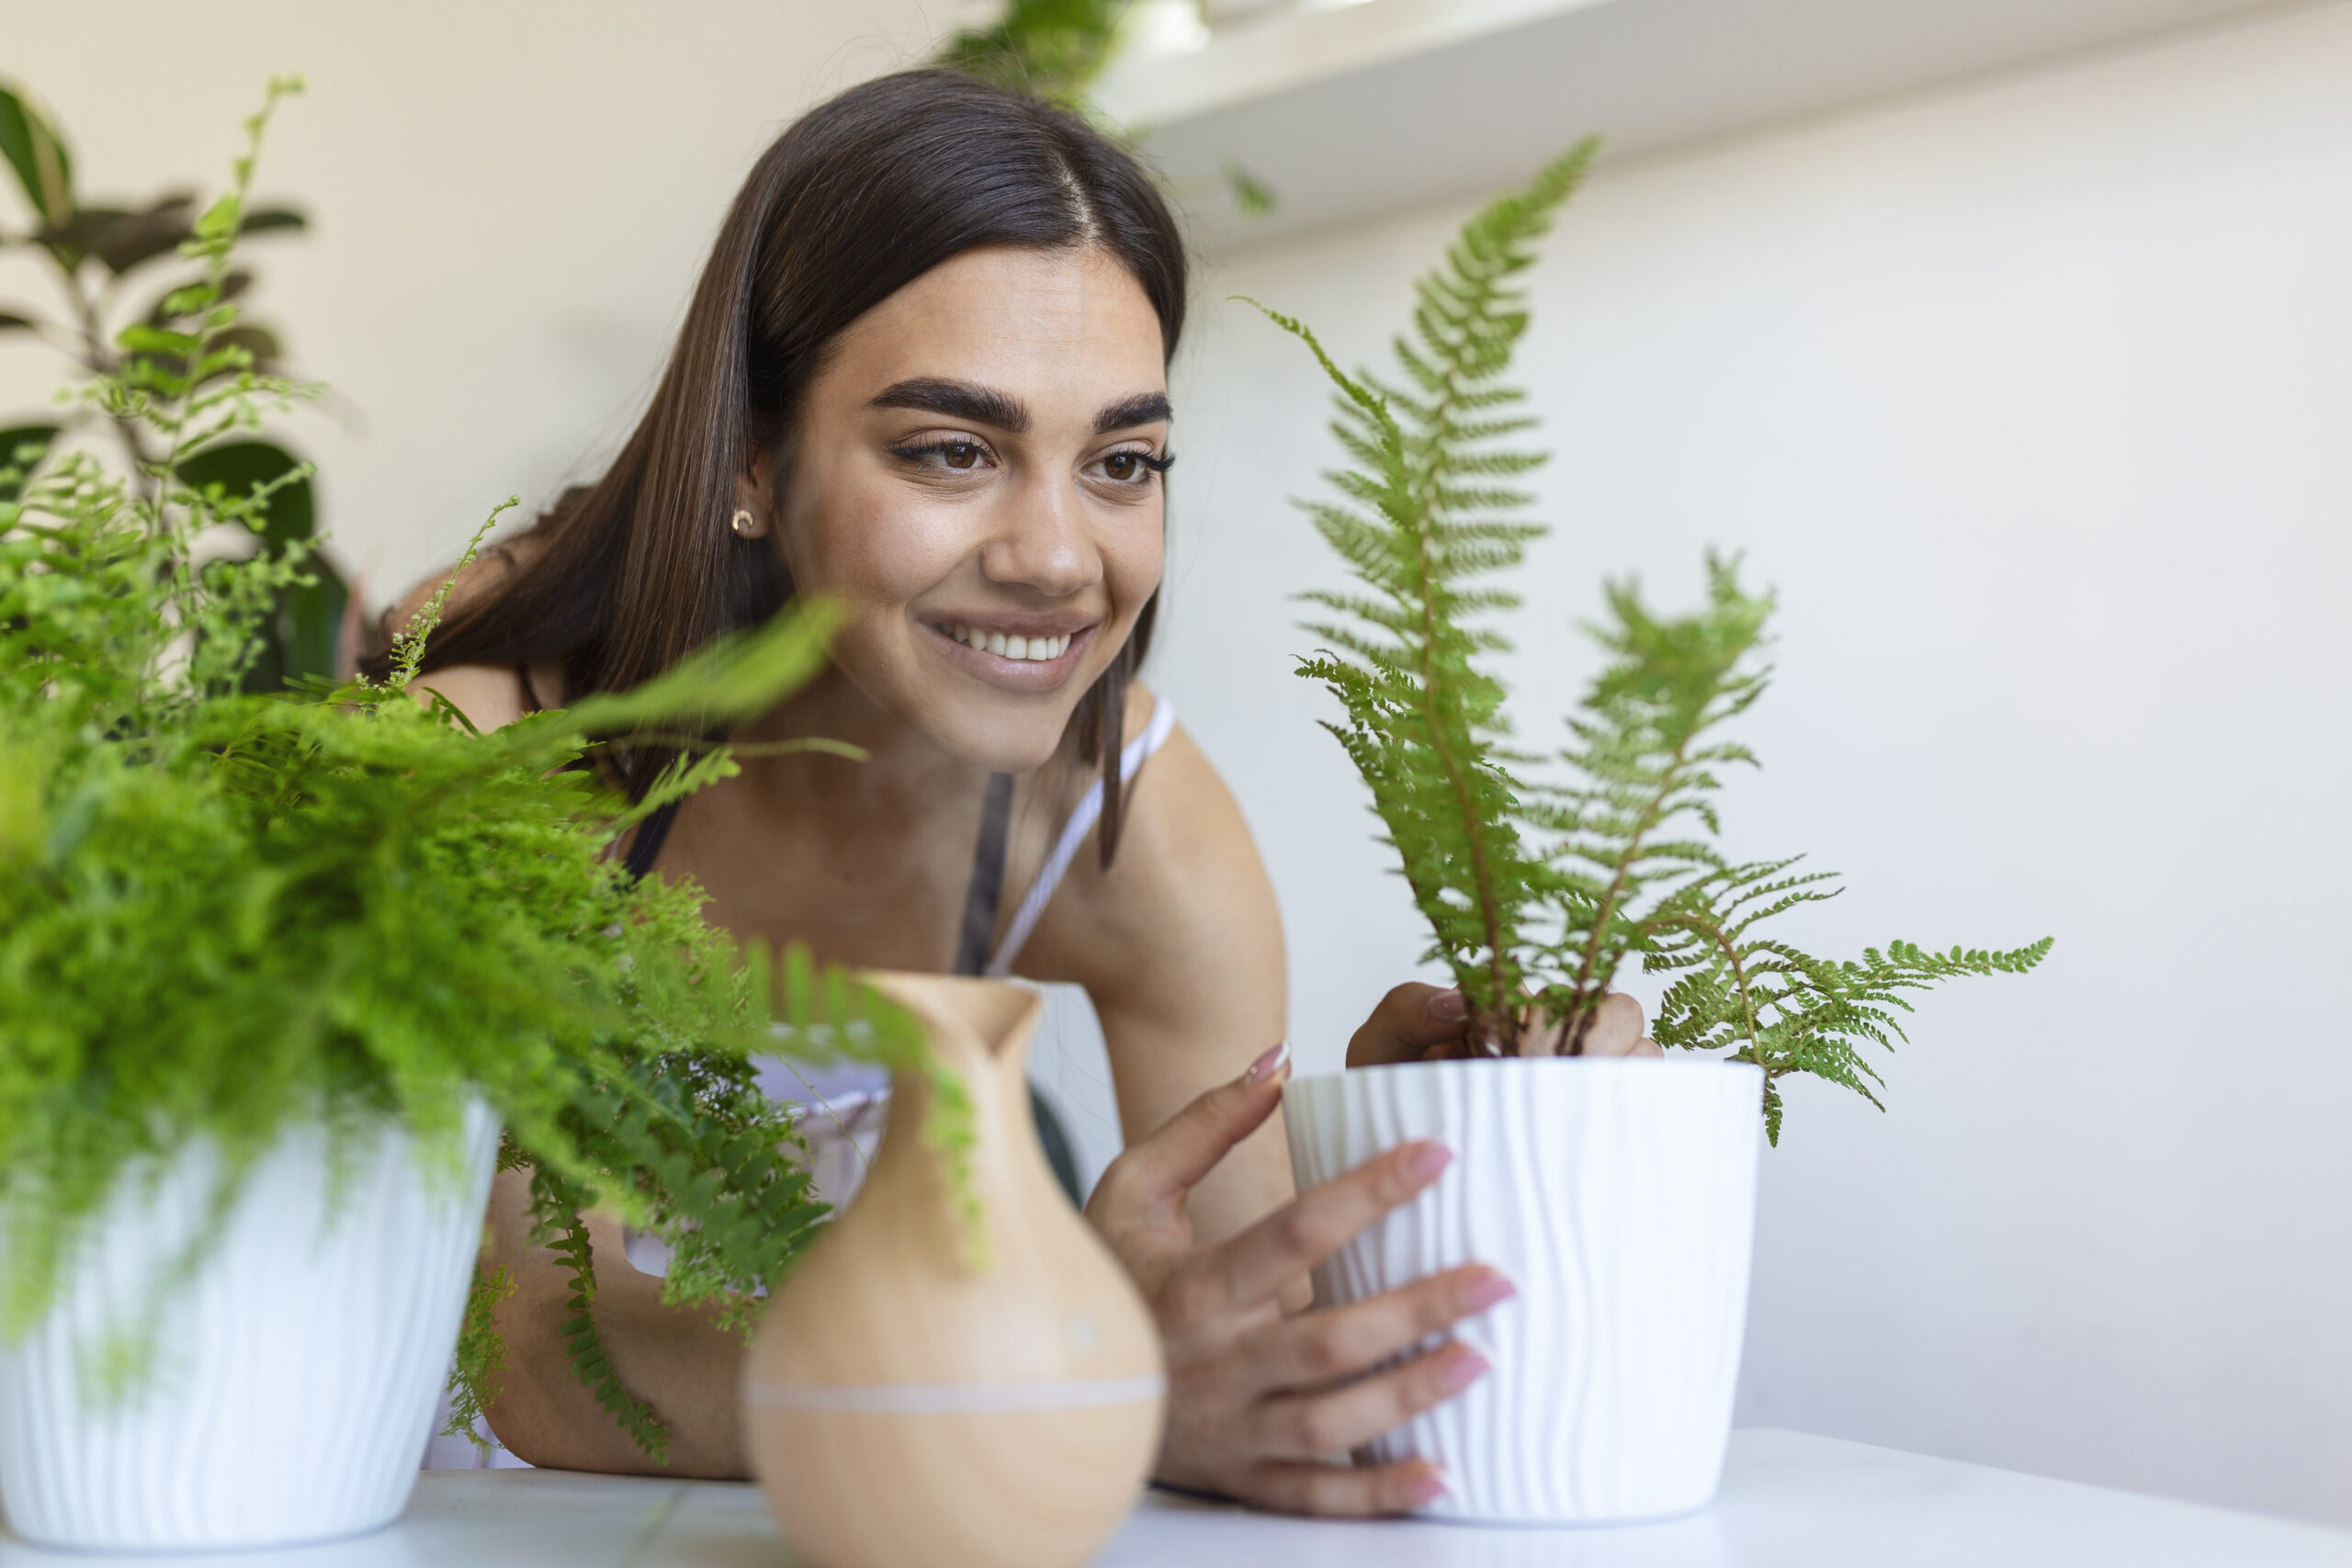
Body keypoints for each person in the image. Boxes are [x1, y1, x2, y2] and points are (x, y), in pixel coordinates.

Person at [384, 68, 1656, 1516]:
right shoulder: (488, 759)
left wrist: (1434, 1149)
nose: (1058, 558)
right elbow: (547, 1354)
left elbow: (1256, 1357)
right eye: (952, 450)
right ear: (753, 459)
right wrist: (1070, 1381)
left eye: (1121, 461)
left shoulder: (1127, 827)